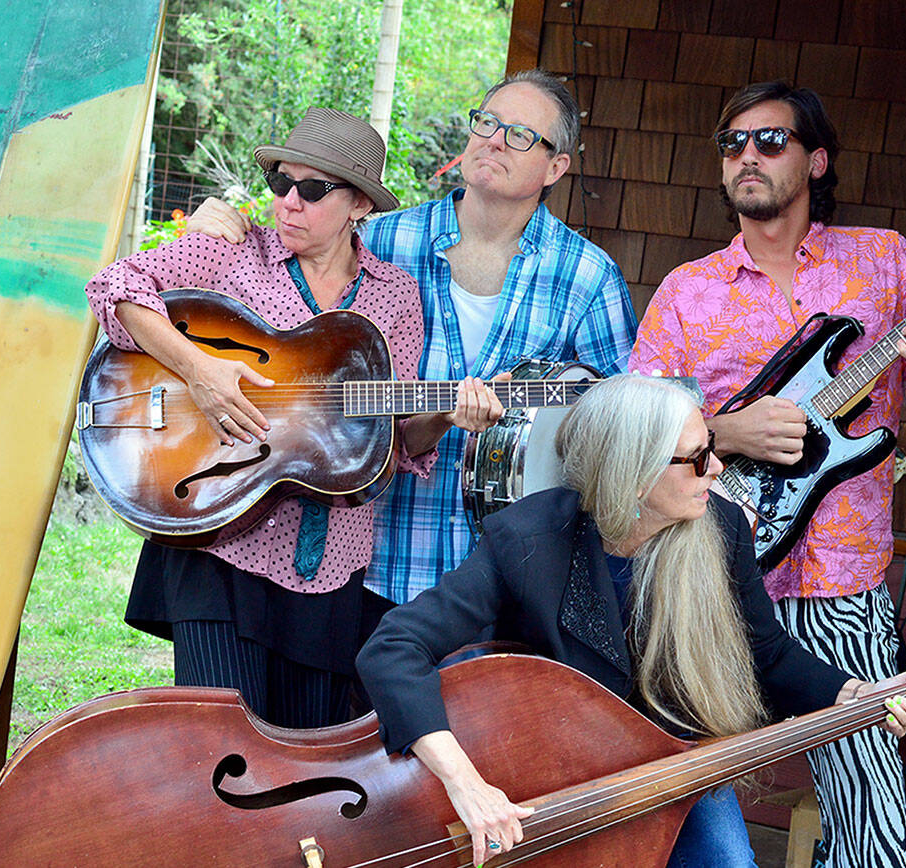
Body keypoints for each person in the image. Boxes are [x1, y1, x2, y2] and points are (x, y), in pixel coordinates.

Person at [355, 374, 906, 867]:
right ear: (633, 472)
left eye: (711, 447)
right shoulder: (530, 538)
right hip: (556, 780)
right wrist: (468, 784)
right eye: (696, 458)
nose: (717, 469)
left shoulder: (722, 528)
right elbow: (393, 647)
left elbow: (767, 655)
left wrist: (858, 693)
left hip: (674, 761)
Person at [629, 82, 906, 868]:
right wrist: (722, 427)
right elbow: (632, 433)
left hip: (841, 585)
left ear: (816, 160)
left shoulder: (882, 261)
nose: (747, 155)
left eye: (770, 141)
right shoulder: (688, 291)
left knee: (871, 812)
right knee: (672, 785)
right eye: (732, 143)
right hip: (705, 574)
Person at [82, 107, 499, 729]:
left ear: (359, 203)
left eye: (311, 189)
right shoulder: (232, 255)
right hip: (221, 534)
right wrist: (199, 368)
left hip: (332, 565)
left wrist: (442, 416)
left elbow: (393, 443)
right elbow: (115, 288)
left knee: (304, 763)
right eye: (281, 183)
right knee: (220, 749)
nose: (288, 203)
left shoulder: (397, 297)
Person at [187, 69, 637, 604]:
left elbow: (616, 425)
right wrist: (212, 237)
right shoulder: (378, 240)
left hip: (508, 579)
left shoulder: (589, 277)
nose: (494, 138)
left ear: (555, 166)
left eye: (519, 134)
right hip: (373, 561)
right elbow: (278, 348)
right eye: (487, 122)